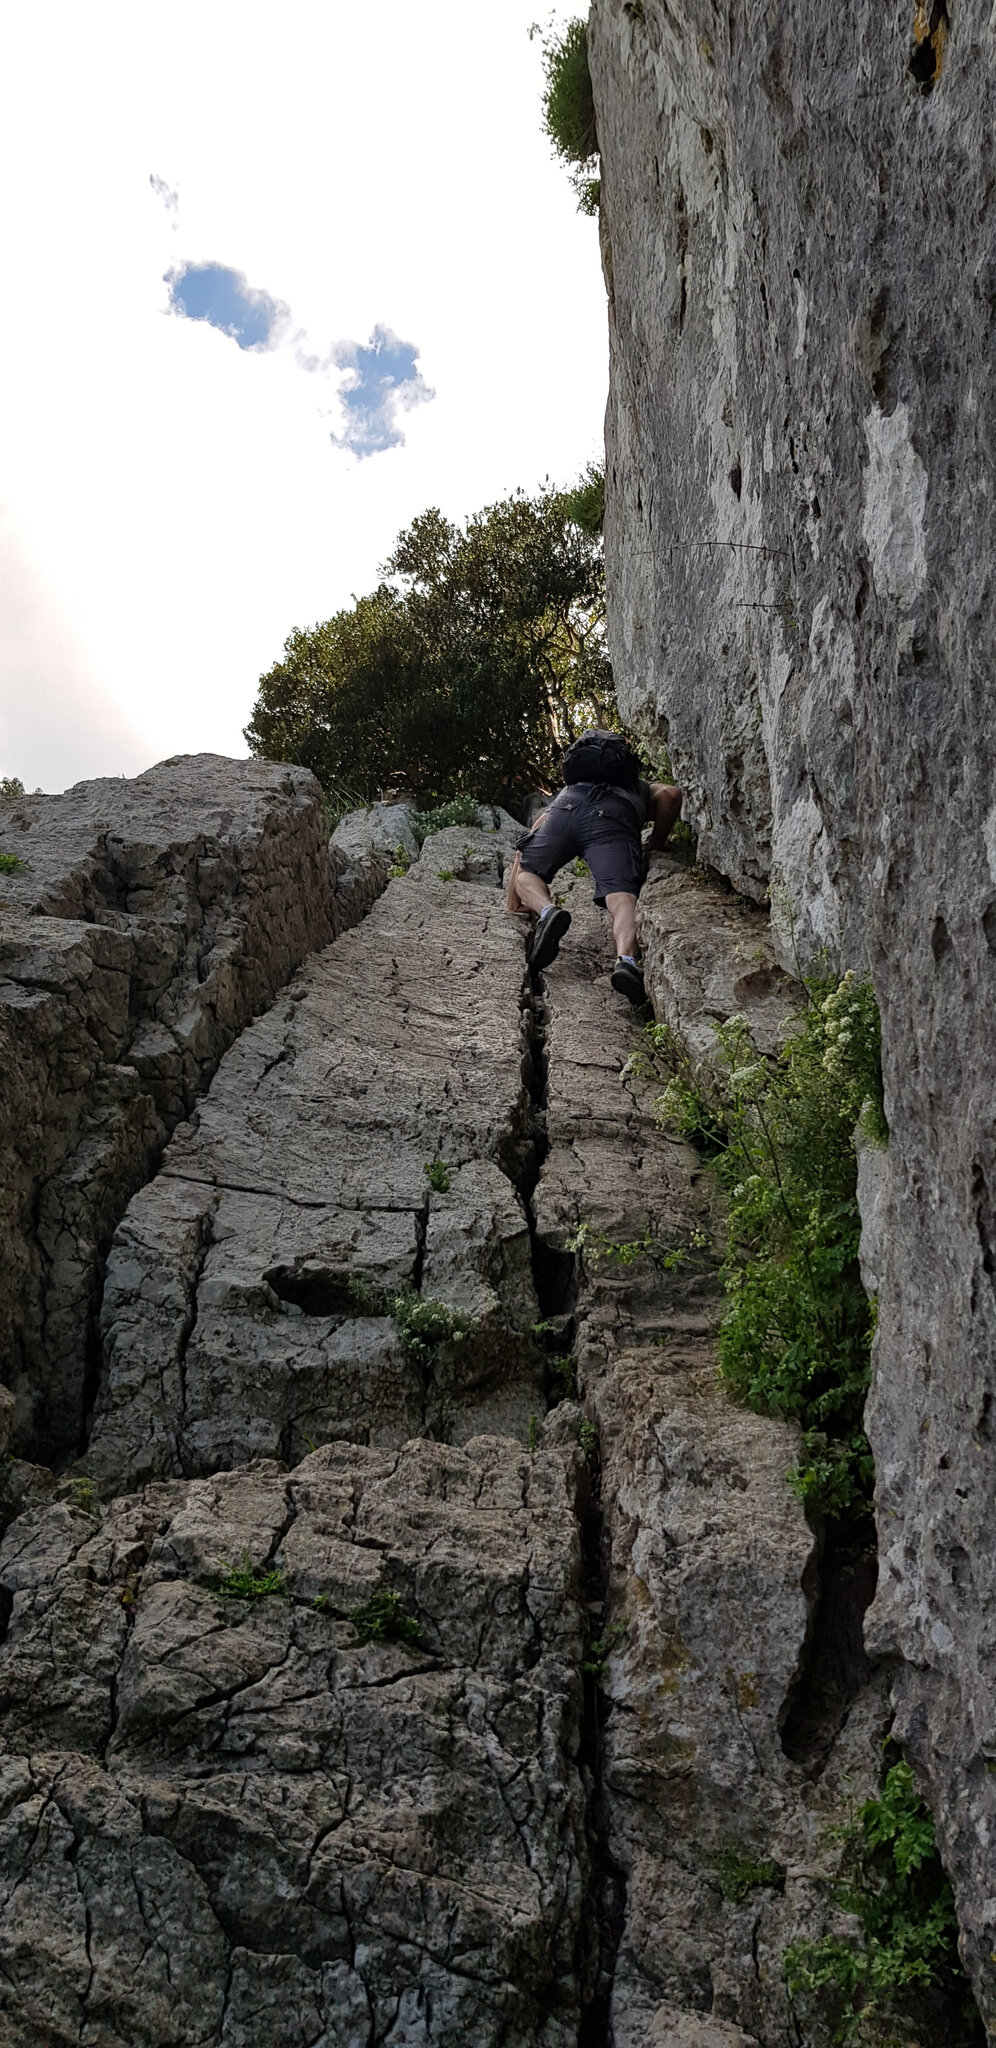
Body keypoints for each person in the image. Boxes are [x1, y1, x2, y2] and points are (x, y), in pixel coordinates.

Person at [507, 729, 682, 1002]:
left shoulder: (569, 788)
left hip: (564, 811)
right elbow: (671, 795)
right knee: (622, 897)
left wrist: (517, 897)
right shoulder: (639, 786)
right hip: (613, 820)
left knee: (528, 875)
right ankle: (626, 960)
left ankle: (547, 911)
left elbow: (534, 832)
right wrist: (656, 841)